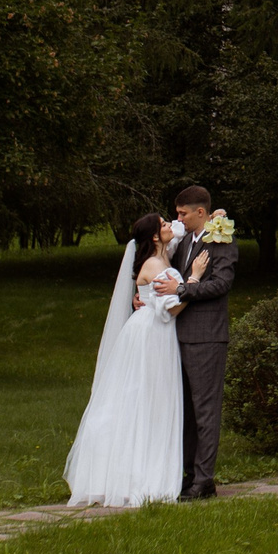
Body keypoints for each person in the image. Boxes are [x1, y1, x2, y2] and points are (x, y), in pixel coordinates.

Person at [62, 212, 206, 507]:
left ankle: (129, 470)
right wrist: (194, 278)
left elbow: (181, 229)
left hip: (150, 331)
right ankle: (139, 476)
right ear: (154, 236)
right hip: (152, 335)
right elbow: (173, 308)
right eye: (164, 224)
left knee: (140, 399)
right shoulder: (156, 265)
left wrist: (213, 215)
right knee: (147, 400)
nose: (171, 226)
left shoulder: (161, 256)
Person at [157, 186, 237, 499]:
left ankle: (205, 481)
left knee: (205, 411)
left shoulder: (223, 240)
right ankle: (189, 476)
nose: (178, 218)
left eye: (183, 213)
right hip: (178, 335)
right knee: (186, 412)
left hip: (207, 337)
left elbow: (222, 283)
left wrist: (184, 290)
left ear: (200, 212)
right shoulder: (184, 243)